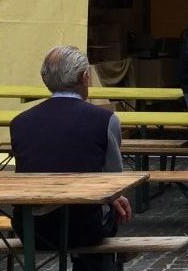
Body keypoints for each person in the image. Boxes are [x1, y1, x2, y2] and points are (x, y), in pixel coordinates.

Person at [11, 47, 133, 271]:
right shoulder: (105, 119)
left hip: (31, 228)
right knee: (107, 211)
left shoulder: (20, 122)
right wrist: (115, 198)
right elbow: (115, 181)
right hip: (84, 228)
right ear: (84, 77)